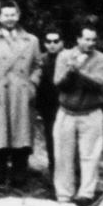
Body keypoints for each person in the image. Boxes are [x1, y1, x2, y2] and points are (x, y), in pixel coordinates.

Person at [0, 0, 42, 187]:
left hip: (22, 93)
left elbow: (38, 65)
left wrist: (32, 85)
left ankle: (19, 175)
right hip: (0, 92)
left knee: (22, 134)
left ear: (18, 16)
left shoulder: (31, 40)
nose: (10, 19)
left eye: (13, 15)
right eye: (6, 15)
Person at [53, 19, 103, 205]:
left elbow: (99, 83)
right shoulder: (64, 56)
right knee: (63, 154)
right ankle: (64, 193)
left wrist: (79, 72)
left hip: (90, 112)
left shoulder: (101, 59)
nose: (90, 43)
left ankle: (86, 193)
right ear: (78, 39)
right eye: (86, 39)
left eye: (93, 40)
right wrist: (70, 72)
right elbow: (59, 84)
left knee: (90, 155)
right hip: (66, 111)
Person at [36, 27, 65, 178]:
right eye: (48, 41)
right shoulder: (41, 59)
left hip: (67, 105)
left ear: (62, 43)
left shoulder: (68, 57)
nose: (52, 44)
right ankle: (53, 170)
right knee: (51, 139)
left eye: (56, 41)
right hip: (48, 107)